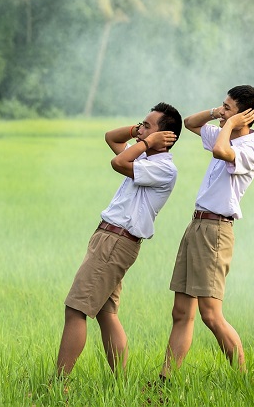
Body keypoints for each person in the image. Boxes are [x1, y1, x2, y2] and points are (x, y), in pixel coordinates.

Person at [56, 103, 182, 377]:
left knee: (75, 309)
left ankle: (58, 384)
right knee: (105, 313)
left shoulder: (163, 168)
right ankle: (121, 383)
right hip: (110, 238)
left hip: (115, 241)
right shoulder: (144, 158)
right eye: (141, 124)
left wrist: (146, 141)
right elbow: (111, 138)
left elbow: (118, 162)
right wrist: (140, 132)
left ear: (165, 137)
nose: (140, 130)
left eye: (148, 125)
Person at [159, 85, 254, 379]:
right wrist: (220, 114)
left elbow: (220, 150)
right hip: (197, 225)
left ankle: (243, 379)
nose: (221, 111)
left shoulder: (249, 150)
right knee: (181, 312)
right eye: (222, 106)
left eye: (228, 107)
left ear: (245, 117)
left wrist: (229, 123)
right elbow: (190, 123)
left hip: (216, 230)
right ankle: (166, 380)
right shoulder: (224, 132)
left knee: (211, 314)